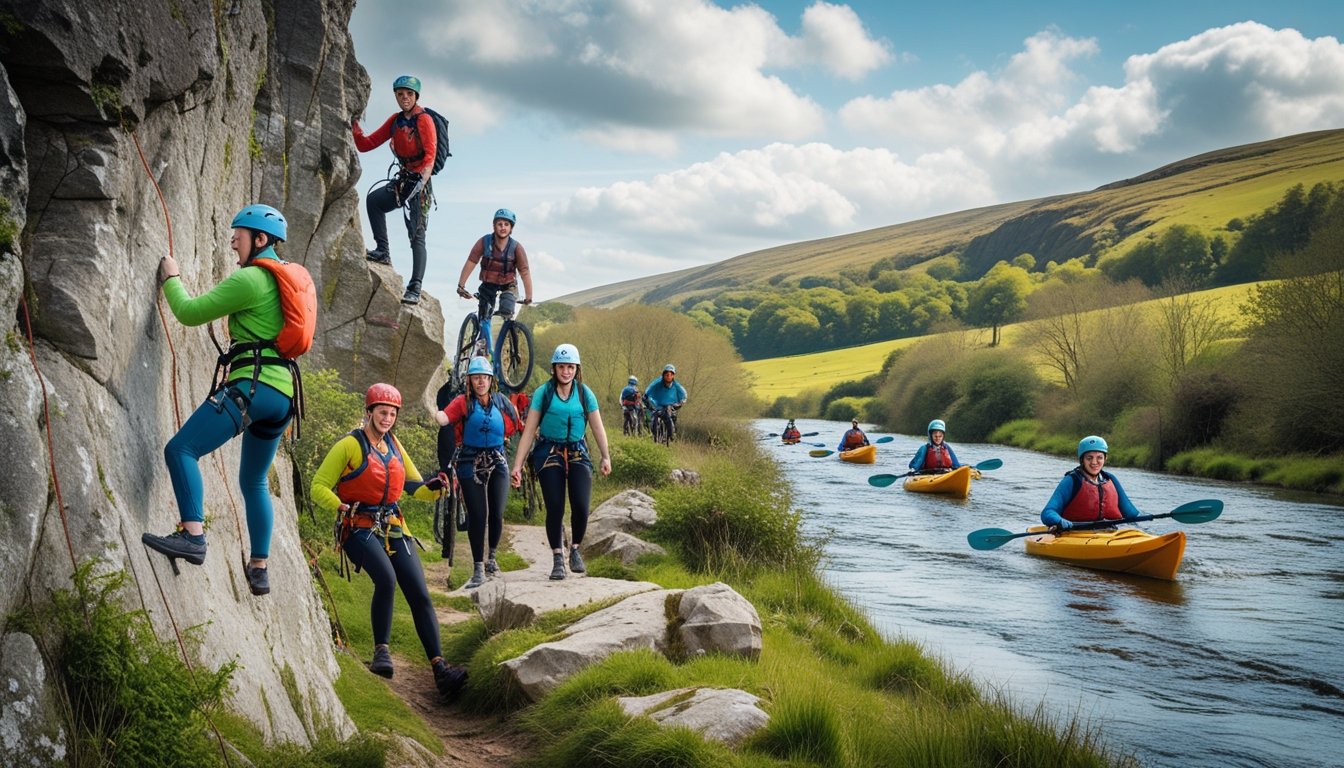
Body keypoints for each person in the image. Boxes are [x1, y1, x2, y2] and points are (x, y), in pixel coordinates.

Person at [141, 204, 300, 597]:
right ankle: (259, 567)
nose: (232, 241)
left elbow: (190, 312)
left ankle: (193, 535)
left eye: (239, 235)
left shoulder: (253, 279)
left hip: (252, 388)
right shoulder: (286, 280)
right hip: (282, 397)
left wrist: (171, 278)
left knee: (181, 449)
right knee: (254, 480)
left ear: (259, 240)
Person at [310, 383, 468, 697]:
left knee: (419, 592)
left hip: (393, 526)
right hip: (357, 527)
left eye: (392, 413)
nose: (387, 418)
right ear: (368, 412)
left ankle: (439, 668)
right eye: (382, 412)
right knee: (386, 578)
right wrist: (339, 506)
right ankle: (382, 652)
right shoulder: (350, 445)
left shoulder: (394, 445)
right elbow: (318, 486)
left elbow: (415, 489)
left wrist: (437, 486)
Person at [510, 344, 612, 581]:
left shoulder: (585, 393)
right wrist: (518, 464)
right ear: (554, 369)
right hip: (548, 451)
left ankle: (575, 548)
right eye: (562, 367)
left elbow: (597, 426)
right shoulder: (543, 394)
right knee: (555, 505)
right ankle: (558, 557)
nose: (566, 372)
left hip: (578, 451)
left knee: (581, 506)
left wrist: (605, 456)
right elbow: (529, 430)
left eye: (570, 367)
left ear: (577, 368)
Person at [433, 357, 522, 589]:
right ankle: (478, 569)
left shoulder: (501, 402)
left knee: (497, 512)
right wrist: (435, 412)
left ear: (490, 380)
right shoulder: (462, 402)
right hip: (469, 461)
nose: (480, 381)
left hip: (497, 460)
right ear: (469, 380)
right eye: (476, 377)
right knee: (478, 515)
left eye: (484, 377)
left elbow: (517, 423)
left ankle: (492, 558)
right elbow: (445, 417)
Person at [352, 74, 436, 305]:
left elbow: (430, 155)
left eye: (409, 94)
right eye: (400, 94)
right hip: (404, 179)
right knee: (374, 201)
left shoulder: (424, 120)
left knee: (416, 234)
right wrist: (353, 124)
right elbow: (365, 144)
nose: (404, 98)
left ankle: (415, 287)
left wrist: (420, 182)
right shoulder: (396, 121)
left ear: (416, 96)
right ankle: (382, 251)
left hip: (420, 182)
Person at [1041, 435, 1143, 530]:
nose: (1094, 462)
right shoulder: (1072, 480)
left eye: (1099, 457)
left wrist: (1146, 522)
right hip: (1074, 533)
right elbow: (1047, 512)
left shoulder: (1110, 479)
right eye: (1089, 458)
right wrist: (1059, 521)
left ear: (1105, 459)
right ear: (1082, 460)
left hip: (1109, 534)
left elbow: (1132, 514)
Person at [455, 208, 533, 323]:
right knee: (484, 315)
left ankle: (509, 335)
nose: (503, 227)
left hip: (508, 285)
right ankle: (482, 337)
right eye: (499, 224)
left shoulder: (517, 248)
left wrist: (528, 297)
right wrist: (461, 286)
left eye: (506, 224)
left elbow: (524, 272)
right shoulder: (484, 242)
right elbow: (471, 262)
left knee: (507, 311)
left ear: (511, 228)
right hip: (488, 284)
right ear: (494, 226)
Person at [643, 364, 687, 437]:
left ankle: (672, 435)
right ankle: (654, 434)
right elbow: (649, 390)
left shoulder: (676, 385)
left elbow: (684, 394)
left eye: (671, 375)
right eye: (667, 375)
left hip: (670, 406)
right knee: (653, 418)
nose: (668, 377)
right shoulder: (657, 382)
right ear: (663, 375)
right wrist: (646, 398)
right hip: (656, 404)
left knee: (671, 417)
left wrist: (681, 402)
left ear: (673, 376)